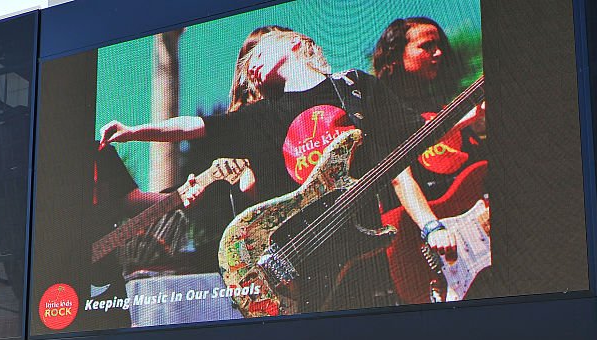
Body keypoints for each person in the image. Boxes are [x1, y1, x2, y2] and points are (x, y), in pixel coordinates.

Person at [99, 27, 456, 313]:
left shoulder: (354, 87)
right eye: (248, 60)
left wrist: (431, 225)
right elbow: (195, 125)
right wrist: (134, 132)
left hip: (364, 253)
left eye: (260, 51)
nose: (251, 62)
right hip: (300, 263)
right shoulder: (261, 117)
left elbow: (399, 164)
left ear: (297, 43)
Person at [372, 17, 489, 304]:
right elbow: (399, 177)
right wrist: (432, 227)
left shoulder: (449, 105)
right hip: (419, 241)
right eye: (426, 46)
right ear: (395, 56)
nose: (438, 53)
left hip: (476, 234)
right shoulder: (379, 110)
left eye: (439, 46)